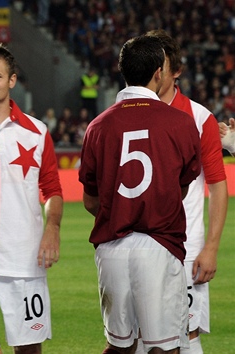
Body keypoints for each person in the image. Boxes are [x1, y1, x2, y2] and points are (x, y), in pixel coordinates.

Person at [78, 35, 202, 354]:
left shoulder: (97, 126)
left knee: (119, 346)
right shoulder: (181, 122)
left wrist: (121, 210)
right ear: (159, 72)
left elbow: (90, 199)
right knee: (164, 347)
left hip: (112, 248)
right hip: (159, 245)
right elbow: (182, 186)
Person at [0, 44, 63, 354]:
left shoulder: (36, 132)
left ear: (12, 80)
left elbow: (52, 188)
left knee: (29, 347)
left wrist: (53, 228)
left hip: (23, 258)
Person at [134, 29, 228, 354]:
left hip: (186, 249)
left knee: (186, 335)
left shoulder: (200, 118)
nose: (154, 73)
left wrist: (212, 247)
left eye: (159, 66)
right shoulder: (129, 113)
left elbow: (218, 186)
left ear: (175, 71)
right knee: (137, 338)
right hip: (136, 243)